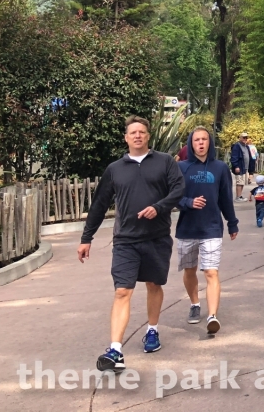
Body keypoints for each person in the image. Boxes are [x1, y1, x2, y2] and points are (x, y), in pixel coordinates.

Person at [78, 115, 185, 373]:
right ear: (126, 138)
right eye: (132, 132)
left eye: (142, 132)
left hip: (157, 238)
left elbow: (178, 190)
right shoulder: (115, 169)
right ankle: (115, 350)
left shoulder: (165, 162)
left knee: (153, 284)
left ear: (148, 136)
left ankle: (152, 331)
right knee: (122, 291)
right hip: (126, 240)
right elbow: (100, 204)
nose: (137, 136)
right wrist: (86, 238)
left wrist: (158, 208)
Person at [176, 127, 238, 335]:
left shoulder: (220, 168)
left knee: (211, 272)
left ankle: (212, 316)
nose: (201, 143)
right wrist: (189, 202)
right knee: (189, 270)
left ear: (209, 143)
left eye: (204, 139)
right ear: (190, 144)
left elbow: (225, 198)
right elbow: (173, 197)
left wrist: (232, 222)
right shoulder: (181, 167)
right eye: (196, 140)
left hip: (212, 227)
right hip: (187, 228)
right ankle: (195, 304)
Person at [229, 132, 251, 201]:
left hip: (245, 167)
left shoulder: (246, 146)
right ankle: (238, 197)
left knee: (242, 182)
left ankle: (240, 196)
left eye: (246, 137)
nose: (245, 139)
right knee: (239, 182)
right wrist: (236, 166)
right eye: (243, 137)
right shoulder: (237, 146)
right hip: (239, 166)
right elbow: (234, 157)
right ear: (240, 138)